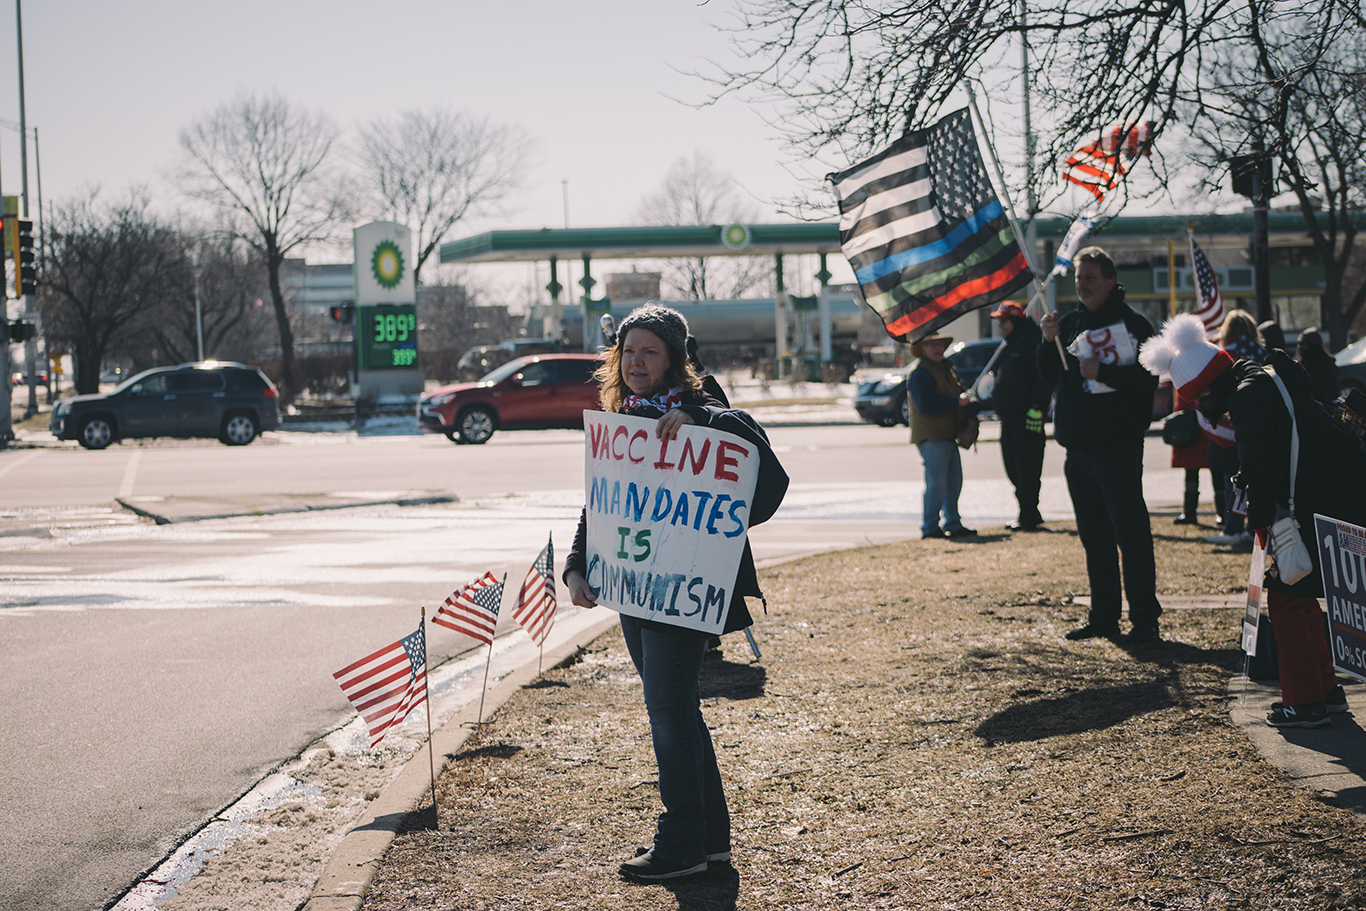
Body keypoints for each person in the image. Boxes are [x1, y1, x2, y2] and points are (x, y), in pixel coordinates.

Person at [563, 303, 788, 881]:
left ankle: (681, 843)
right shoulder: (622, 415)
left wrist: (699, 420)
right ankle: (709, 844)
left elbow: (764, 480)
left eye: (650, 351)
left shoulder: (707, 413)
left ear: (675, 360)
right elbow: (602, 501)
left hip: (684, 586)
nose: (636, 361)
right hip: (632, 587)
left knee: (667, 713)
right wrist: (576, 565)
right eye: (628, 350)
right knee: (679, 712)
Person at [1139, 313, 1366, 727]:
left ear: (1207, 388)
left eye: (1202, 401)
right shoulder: (1259, 375)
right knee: (1302, 593)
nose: (1208, 411)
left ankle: (1306, 702)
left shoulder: (1246, 397)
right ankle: (1326, 691)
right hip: (1332, 493)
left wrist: (1264, 526)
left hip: (1316, 498)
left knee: (1285, 594)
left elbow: (1260, 467)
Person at [1038, 247, 1163, 643]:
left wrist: (1103, 370)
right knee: (1095, 539)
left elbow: (1149, 381)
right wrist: (1047, 342)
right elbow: (1050, 378)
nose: (1082, 285)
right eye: (1078, 278)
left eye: (1090, 278)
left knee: (1131, 536)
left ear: (1110, 282)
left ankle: (1145, 621)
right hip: (1078, 452)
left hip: (1119, 450)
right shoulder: (1070, 323)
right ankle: (1103, 618)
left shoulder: (1135, 325)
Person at [984, 302, 1051, 531]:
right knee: (1013, 468)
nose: (1000, 325)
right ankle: (1028, 511)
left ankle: (1028, 516)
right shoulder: (1009, 345)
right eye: (999, 321)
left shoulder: (1031, 343)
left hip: (1027, 419)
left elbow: (1043, 378)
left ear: (1016, 321)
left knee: (1027, 469)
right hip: (1009, 419)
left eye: (1004, 321)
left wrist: (1037, 407)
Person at [1204, 311, 1265, 547]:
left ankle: (1233, 528)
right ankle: (1254, 528)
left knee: (1233, 484)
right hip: (1257, 428)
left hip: (1230, 430)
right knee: (1257, 482)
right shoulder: (1259, 355)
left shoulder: (1222, 357)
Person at [908, 333, 977, 540]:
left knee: (954, 482)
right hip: (931, 436)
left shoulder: (947, 368)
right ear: (922, 349)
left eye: (940, 344)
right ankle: (930, 527)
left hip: (948, 434)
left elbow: (958, 393)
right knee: (936, 484)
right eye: (932, 345)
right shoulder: (920, 373)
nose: (938, 349)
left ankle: (953, 523)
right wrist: (956, 402)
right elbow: (926, 406)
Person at [1295, 328, 1340, 407]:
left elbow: (1330, 394)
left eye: (1303, 344)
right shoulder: (1302, 364)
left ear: (1311, 346)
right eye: (1299, 344)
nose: (1299, 347)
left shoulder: (1326, 366)